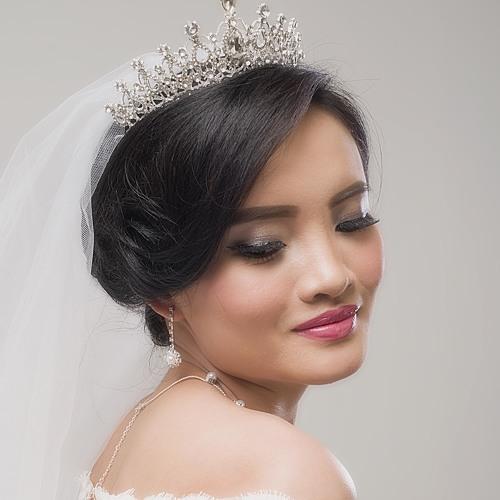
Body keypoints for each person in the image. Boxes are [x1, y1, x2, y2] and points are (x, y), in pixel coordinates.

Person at [0, 1, 384, 499]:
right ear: (164, 287)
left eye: (353, 219)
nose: (331, 276)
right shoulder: (288, 473)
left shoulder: (132, 439)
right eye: (263, 247)